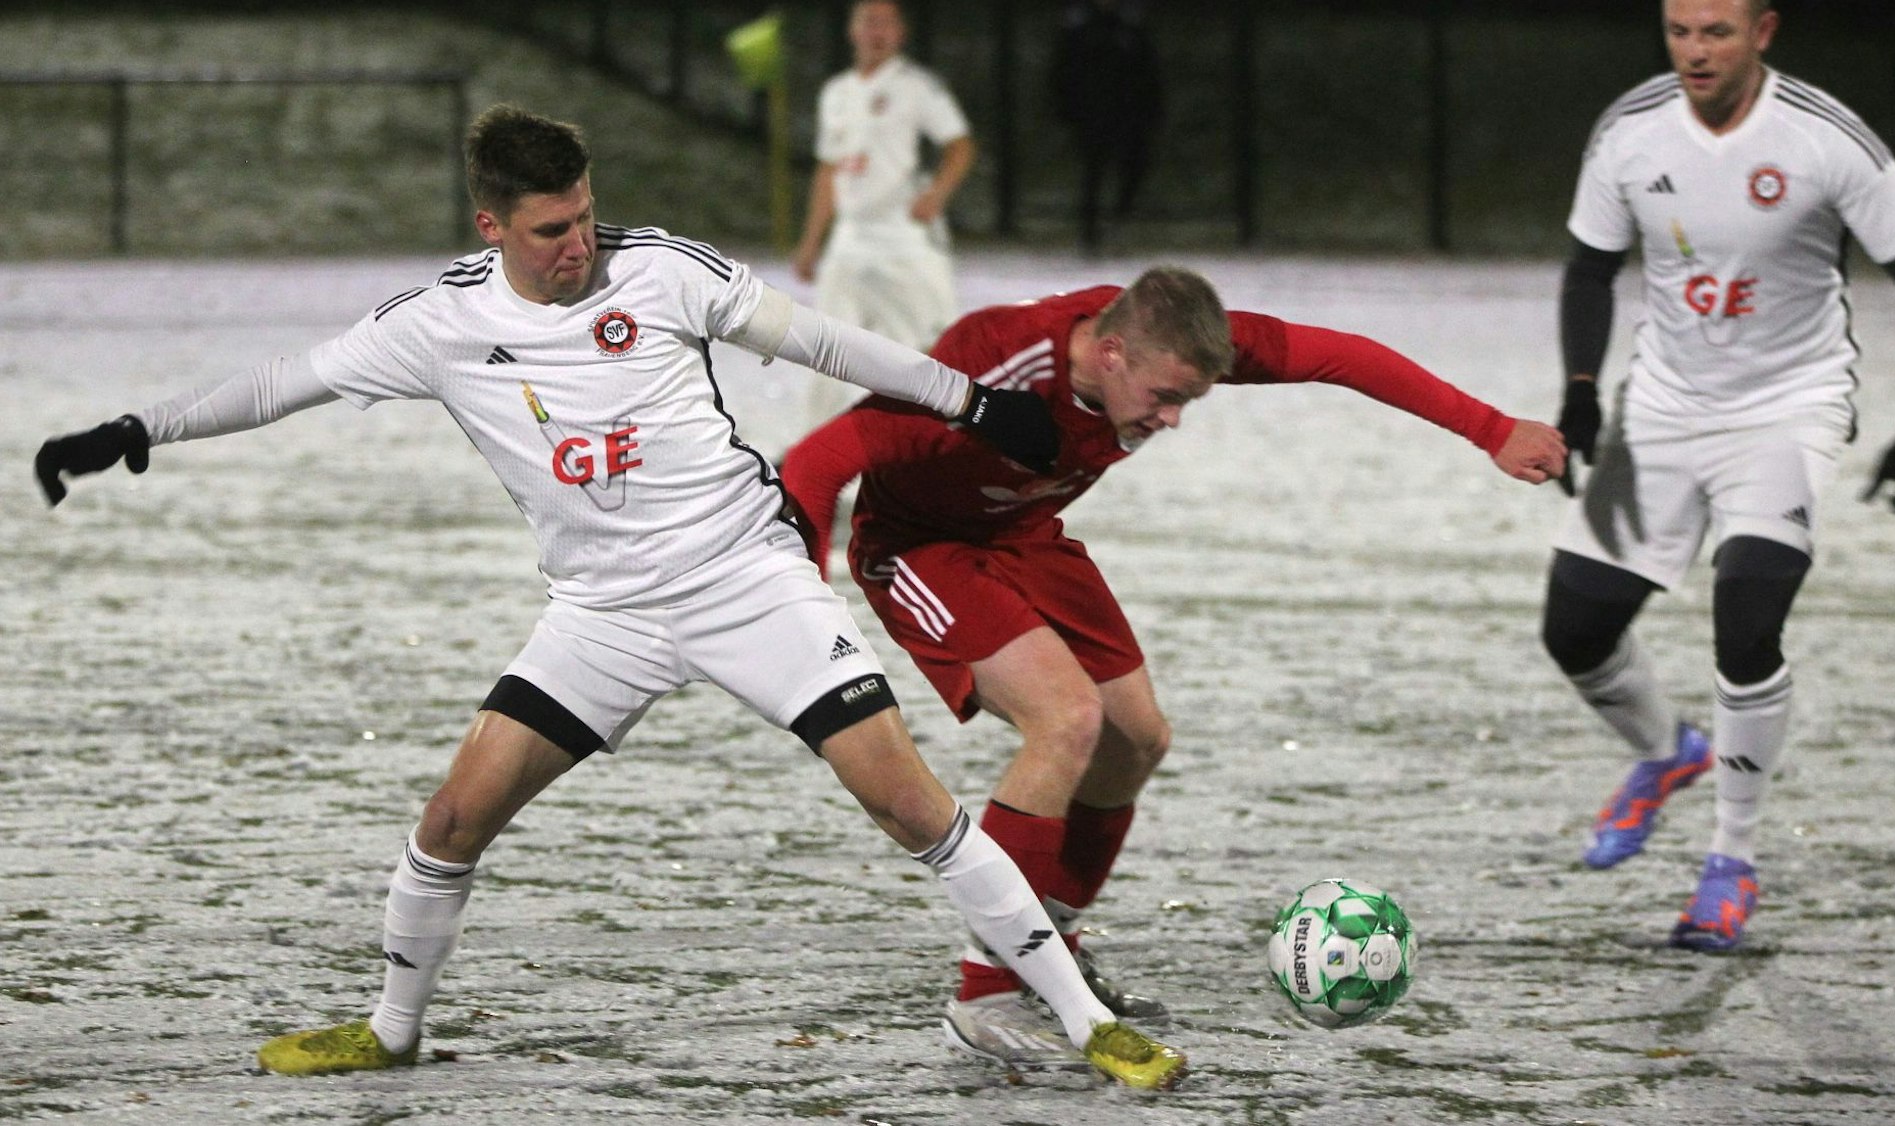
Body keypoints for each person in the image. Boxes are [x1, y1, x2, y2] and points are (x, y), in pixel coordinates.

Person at [33, 104, 1188, 1090]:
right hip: (603, 613)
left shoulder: (661, 269)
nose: (579, 242)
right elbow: (284, 382)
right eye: (550, 229)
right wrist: (140, 428)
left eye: (584, 214)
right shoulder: (440, 324)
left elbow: (821, 341)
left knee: (907, 807)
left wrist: (970, 403)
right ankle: (389, 1032)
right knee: (452, 819)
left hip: (745, 577)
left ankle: (1088, 1024)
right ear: (492, 226)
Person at [781, 265, 1567, 1062]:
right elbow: (815, 463)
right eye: (1166, 398)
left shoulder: (1175, 338)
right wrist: (800, 613)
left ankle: (1053, 948)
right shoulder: (992, 368)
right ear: (1111, 353)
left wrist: (1491, 429)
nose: (1174, 418)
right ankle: (986, 996)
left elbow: (1341, 355)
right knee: (1067, 720)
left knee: (1137, 738)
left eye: (1188, 400)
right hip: (923, 546)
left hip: (1025, 535)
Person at [1545, 0, 1895, 951]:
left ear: (1763, 32)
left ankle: (1731, 861)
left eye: (1717, 33)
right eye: (1680, 30)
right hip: (1659, 413)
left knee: (1748, 613)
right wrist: (1578, 393)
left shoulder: (1823, 138)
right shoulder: (1630, 129)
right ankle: (1668, 752)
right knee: (1574, 628)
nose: (1695, 51)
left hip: (1786, 410)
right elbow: (1586, 267)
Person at [790, 0, 974, 429]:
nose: (878, 30)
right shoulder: (837, 92)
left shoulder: (917, 86)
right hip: (851, 239)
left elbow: (960, 146)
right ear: (852, 30)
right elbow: (828, 171)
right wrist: (812, 241)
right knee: (826, 348)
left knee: (934, 345)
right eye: (868, 21)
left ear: (901, 33)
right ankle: (815, 457)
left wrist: (936, 193)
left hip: (904, 236)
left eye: (887, 22)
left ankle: (944, 443)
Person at [1050, 0, 1163, 252]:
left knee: (1134, 167)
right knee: (1093, 171)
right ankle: (1089, 232)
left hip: (1129, 111)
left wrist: (1152, 108)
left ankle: (1119, 222)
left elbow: (1149, 67)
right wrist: (1066, 109)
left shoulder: (1132, 21)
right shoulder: (1077, 22)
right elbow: (1063, 69)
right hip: (1091, 112)